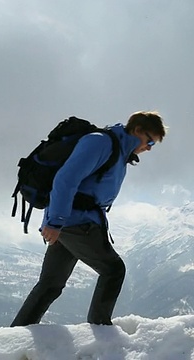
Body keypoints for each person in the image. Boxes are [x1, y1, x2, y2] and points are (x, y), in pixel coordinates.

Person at [10, 111, 167, 326]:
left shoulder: (119, 151)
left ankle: (16, 335)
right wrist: (55, 221)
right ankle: (100, 329)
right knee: (113, 270)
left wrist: (57, 221)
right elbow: (66, 179)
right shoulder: (101, 143)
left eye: (152, 145)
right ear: (137, 130)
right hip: (76, 222)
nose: (148, 148)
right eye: (149, 141)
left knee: (50, 285)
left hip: (70, 221)